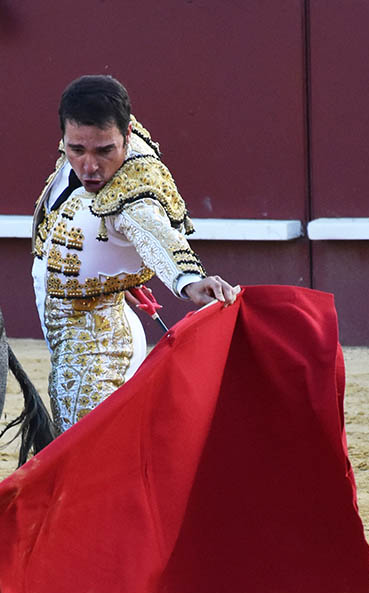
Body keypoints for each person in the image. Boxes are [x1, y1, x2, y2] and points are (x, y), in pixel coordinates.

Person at [32, 74, 239, 431]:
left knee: (81, 446)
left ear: (127, 137)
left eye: (104, 151)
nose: (89, 166)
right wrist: (115, 269)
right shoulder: (94, 136)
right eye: (76, 150)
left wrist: (189, 282)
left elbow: (155, 235)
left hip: (95, 340)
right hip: (90, 317)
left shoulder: (134, 192)